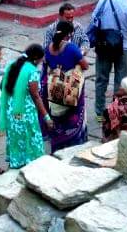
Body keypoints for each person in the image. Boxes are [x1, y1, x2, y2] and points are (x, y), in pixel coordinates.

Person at [88, 0, 127, 120]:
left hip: (104, 45)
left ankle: (99, 112)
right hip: (123, 47)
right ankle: (115, 112)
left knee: (101, 79)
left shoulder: (104, 0)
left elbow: (94, 19)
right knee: (121, 81)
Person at [1, 44, 53, 169]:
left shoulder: (12, 66)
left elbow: (2, 85)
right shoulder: (32, 71)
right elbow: (36, 96)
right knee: (30, 138)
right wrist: (47, 117)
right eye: (41, 58)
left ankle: (16, 163)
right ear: (35, 57)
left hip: (12, 111)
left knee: (16, 138)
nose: (42, 61)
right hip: (25, 113)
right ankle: (29, 167)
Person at [41, 20, 89, 153]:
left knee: (57, 117)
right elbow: (85, 65)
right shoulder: (71, 48)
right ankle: (74, 146)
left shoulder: (48, 49)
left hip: (55, 90)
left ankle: (57, 145)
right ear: (69, 34)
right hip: (70, 90)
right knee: (73, 117)